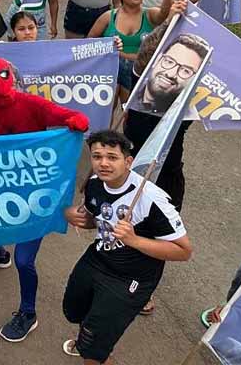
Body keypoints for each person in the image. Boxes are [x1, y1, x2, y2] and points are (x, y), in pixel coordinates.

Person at [0, 56, 90, 343]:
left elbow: (64, 114)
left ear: (13, 79)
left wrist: (74, 120)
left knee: (24, 260)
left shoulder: (33, 105)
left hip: (35, 192)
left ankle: (28, 313)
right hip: (1, 184)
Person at [62, 130, 191, 362]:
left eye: (112, 157)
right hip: (97, 259)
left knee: (93, 350)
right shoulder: (94, 183)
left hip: (130, 278)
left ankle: (95, 350)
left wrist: (134, 240)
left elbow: (183, 251)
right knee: (75, 309)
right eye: (97, 156)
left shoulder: (152, 198)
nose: (103, 163)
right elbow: (96, 220)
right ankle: (94, 341)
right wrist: (79, 218)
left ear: (128, 161)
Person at [133, 32, 209, 116]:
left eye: (186, 70)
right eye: (169, 61)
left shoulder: (183, 117)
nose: (171, 74)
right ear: (157, 59)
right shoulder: (135, 86)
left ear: (195, 79)